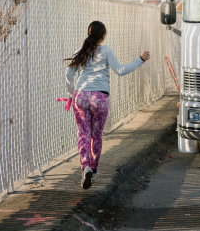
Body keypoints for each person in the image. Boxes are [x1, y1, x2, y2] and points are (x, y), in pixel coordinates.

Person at [64, 21, 150, 189]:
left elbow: (69, 74)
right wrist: (140, 59)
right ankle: (94, 170)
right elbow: (120, 71)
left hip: (80, 96)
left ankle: (85, 166)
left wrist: (71, 93)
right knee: (96, 135)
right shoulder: (106, 51)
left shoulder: (80, 52)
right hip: (99, 98)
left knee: (83, 133)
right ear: (103, 36)